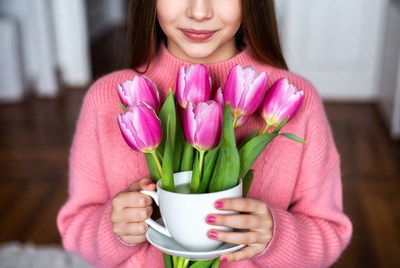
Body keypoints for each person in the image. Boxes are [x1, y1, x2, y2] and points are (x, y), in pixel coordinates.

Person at [57, 0, 352, 267]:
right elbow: (75, 230)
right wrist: (113, 228)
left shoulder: (295, 99)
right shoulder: (107, 99)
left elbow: (330, 232)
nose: (199, 11)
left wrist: (277, 236)